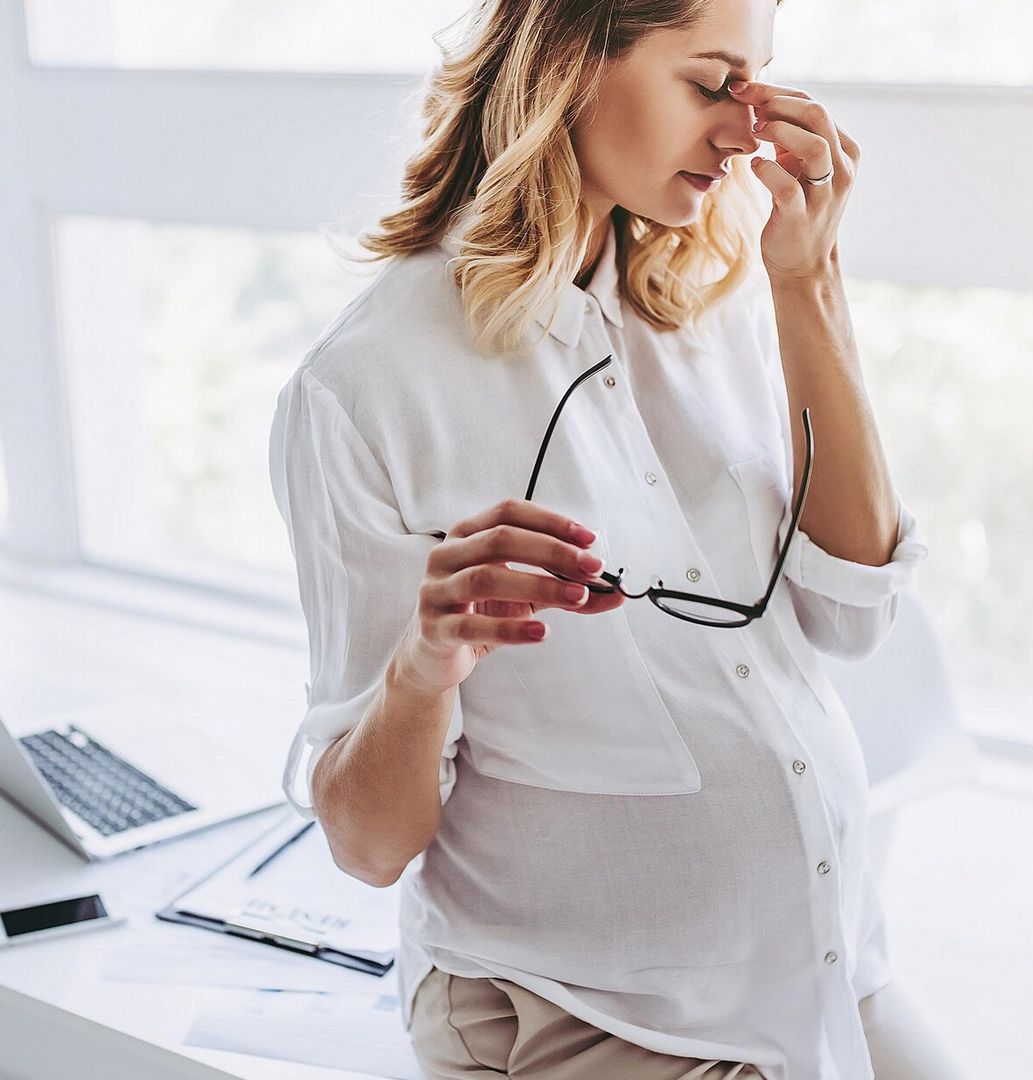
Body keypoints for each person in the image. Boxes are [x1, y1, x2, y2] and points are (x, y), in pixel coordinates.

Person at [268, 1, 972, 1077]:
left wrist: (807, 278)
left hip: (826, 972)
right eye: (709, 84)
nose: (747, 133)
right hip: (585, 1018)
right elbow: (369, 846)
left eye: (757, 86)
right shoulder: (369, 386)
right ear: (567, 63)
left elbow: (852, 613)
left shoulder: (721, 292)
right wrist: (423, 669)